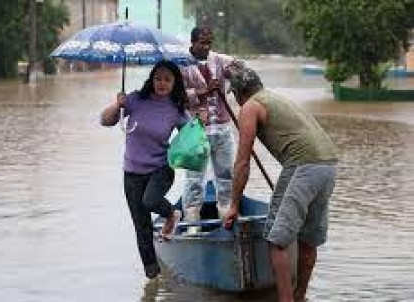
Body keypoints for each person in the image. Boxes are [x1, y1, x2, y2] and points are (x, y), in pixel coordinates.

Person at [223, 68, 338, 302]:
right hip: (328, 164)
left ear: (238, 93)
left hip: (302, 165)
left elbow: (242, 162)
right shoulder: (277, 98)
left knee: (277, 240)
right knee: (308, 240)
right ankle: (300, 297)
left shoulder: (250, 106)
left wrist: (234, 204)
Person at [100, 60, 188, 279]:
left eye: (167, 79)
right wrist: (118, 105)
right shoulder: (136, 99)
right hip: (132, 173)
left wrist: (200, 122)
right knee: (142, 226)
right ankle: (153, 276)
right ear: (152, 79)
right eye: (158, 78)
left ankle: (172, 214)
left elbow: (191, 138)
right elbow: (105, 121)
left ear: (174, 82)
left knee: (150, 202)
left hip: (161, 169)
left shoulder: (175, 108)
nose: (162, 83)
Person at [180, 26, 246, 223]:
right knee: (194, 178)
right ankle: (192, 220)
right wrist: (204, 91)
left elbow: (242, 67)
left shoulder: (218, 59)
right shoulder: (181, 65)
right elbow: (179, 99)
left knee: (226, 175)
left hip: (222, 129)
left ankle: (225, 213)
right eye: (202, 43)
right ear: (192, 43)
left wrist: (233, 72)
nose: (206, 47)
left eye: (209, 42)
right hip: (196, 130)